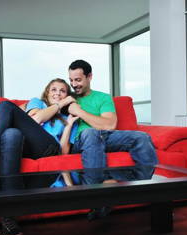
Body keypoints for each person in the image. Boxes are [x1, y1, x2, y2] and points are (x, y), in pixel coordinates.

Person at [0, 78, 79, 235]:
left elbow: (63, 151)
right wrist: (59, 105)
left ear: (67, 95)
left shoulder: (67, 117)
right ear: (47, 92)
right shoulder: (37, 103)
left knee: (5, 106)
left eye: (62, 91)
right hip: (28, 145)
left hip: (48, 148)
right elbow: (35, 120)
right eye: (54, 89)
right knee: (12, 134)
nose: (58, 93)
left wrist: (68, 126)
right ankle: (9, 217)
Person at [67, 60, 158, 220]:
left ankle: (143, 189)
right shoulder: (68, 98)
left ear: (89, 77)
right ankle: (98, 201)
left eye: (78, 80)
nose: (74, 84)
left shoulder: (103, 98)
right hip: (82, 139)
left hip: (106, 136)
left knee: (142, 137)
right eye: (71, 80)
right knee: (90, 133)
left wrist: (79, 112)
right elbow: (40, 105)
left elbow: (109, 124)